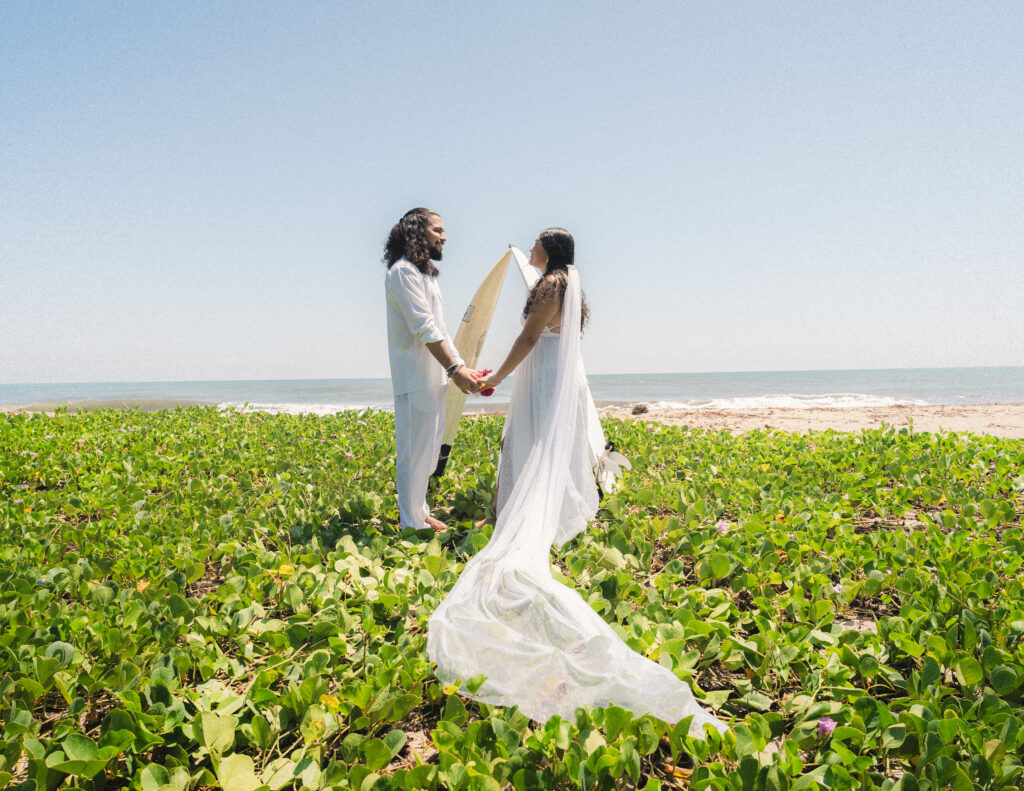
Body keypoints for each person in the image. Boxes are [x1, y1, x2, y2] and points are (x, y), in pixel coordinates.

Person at [427, 228, 727, 736]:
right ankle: (512, 507)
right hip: (552, 375)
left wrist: (495, 376)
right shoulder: (571, 284)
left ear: (550, 249)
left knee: (527, 446)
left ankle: (516, 516)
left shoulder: (550, 286)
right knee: (530, 448)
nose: (532, 248)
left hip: (540, 376)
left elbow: (527, 338)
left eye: (537, 243)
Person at [383, 208, 479, 533]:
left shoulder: (425, 275)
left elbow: (442, 330)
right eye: (438, 230)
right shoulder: (402, 272)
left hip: (435, 377)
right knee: (413, 453)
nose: (444, 236)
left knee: (428, 452)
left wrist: (461, 368)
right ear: (418, 232)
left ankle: (420, 513)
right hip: (414, 378)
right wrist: (455, 369)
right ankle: (411, 525)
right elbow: (424, 328)